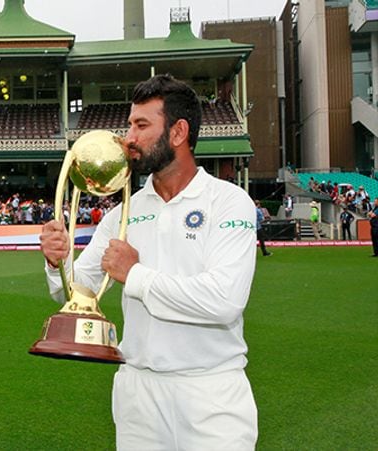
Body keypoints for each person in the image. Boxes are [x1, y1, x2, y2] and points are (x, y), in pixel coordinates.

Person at [40, 74, 258, 450]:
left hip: (211, 391)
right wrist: (55, 261)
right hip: (137, 391)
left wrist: (135, 274)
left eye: (141, 125)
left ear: (178, 132)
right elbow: (74, 291)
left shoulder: (228, 201)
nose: (129, 138)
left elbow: (224, 301)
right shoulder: (123, 212)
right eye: (129, 125)